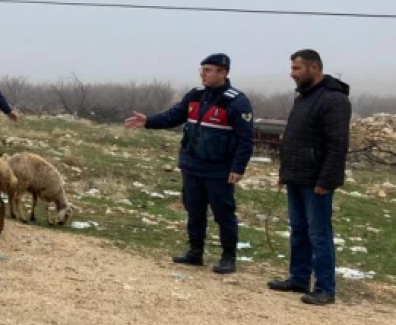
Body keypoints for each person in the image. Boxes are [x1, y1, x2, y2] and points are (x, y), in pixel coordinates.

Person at [124, 54, 254, 274]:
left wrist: (237, 168)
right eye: (201, 69)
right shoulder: (196, 96)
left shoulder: (236, 102)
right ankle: (195, 253)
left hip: (219, 169)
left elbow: (245, 139)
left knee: (223, 213)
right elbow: (173, 116)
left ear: (223, 73)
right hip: (192, 165)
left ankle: (228, 257)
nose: (203, 74)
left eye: (208, 70)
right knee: (194, 210)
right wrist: (148, 122)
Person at [267, 49, 351, 306]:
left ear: (314, 68)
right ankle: (299, 278)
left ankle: (325, 287)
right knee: (299, 231)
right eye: (292, 68)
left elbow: (338, 145)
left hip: (317, 182)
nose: (292, 74)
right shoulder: (303, 97)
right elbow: (295, 139)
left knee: (319, 233)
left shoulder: (334, 100)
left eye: (297, 69)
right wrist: (285, 173)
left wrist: (326, 181)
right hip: (296, 176)